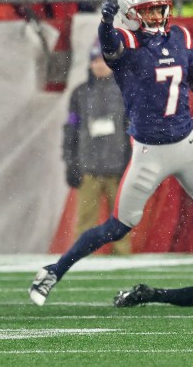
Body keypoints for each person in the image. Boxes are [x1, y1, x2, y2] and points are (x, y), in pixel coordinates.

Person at [29, 0, 193, 306]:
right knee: (118, 226)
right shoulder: (127, 46)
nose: (159, 17)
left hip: (188, 145)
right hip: (149, 153)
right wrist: (105, 23)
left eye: (161, 9)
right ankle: (53, 271)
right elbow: (110, 47)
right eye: (150, 11)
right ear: (131, 14)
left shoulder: (181, 38)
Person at [62, 39, 131, 254]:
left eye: (102, 60)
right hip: (88, 167)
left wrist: (130, 161)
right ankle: (81, 259)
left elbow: (131, 128)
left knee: (121, 220)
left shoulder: (123, 91)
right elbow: (71, 129)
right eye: (95, 61)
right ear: (89, 64)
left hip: (117, 166)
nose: (99, 65)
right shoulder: (80, 94)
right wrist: (70, 162)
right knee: (85, 220)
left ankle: (123, 261)